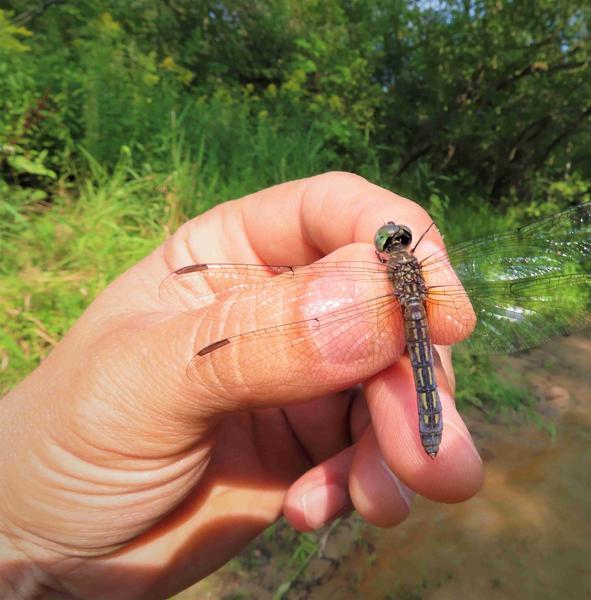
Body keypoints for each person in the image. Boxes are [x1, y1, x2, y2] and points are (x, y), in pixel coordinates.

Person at [0, 173, 484, 599]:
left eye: (392, 239)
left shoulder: (374, 271)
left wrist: (23, 553)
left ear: (386, 252)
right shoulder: (417, 271)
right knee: (422, 380)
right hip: (415, 328)